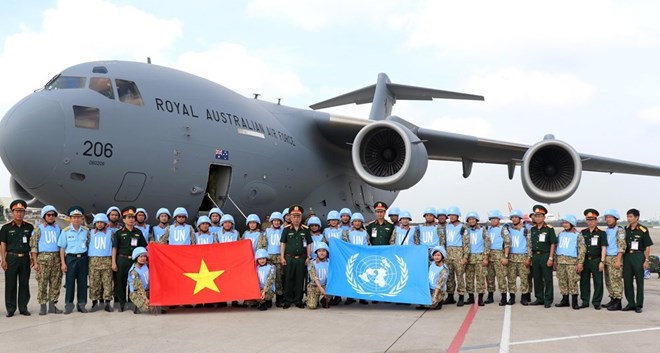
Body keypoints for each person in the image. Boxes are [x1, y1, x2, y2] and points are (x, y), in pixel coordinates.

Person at [1, 199, 34, 316]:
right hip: (11, 258)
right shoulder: (6, 228)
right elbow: (3, 244)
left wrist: (33, 258)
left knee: (24, 283)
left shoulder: (30, 227)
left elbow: (33, 244)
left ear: (24, 213)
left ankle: (23, 307)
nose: (19, 213)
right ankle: (10, 309)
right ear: (12, 212)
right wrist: (3, 259)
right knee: (10, 284)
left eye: (21, 211)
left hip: (25, 258)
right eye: (16, 211)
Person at [112, 206, 148, 312]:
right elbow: (114, 248)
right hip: (122, 260)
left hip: (134, 261)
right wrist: (113, 262)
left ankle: (132, 303)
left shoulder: (138, 232)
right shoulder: (119, 233)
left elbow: (144, 247)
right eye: (128, 217)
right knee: (120, 282)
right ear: (123, 220)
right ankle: (121, 304)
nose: (131, 219)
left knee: (133, 282)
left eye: (133, 217)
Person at [30, 205, 63, 315]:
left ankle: (52, 305)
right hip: (43, 259)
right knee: (42, 283)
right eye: (49, 215)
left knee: (56, 283)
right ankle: (42, 305)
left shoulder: (58, 228)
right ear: (44, 216)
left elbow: (62, 245)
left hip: (56, 259)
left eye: (53, 215)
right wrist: (35, 262)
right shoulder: (38, 229)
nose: (51, 217)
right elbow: (34, 247)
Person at [58, 206, 90, 314]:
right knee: (70, 283)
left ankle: (82, 304)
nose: (76, 219)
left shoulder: (86, 231)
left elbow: (89, 245)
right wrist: (63, 263)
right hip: (70, 259)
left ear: (82, 219)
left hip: (83, 259)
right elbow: (62, 248)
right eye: (74, 217)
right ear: (70, 219)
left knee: (83, 283)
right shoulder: (65, 232)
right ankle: (69, 305)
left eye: (78, 217)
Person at [279, 204, 312, 309]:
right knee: (288, 279)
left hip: (301, 258)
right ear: (290, 217)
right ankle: (288, 300)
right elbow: (283, 243)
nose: (296, 219)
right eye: (294, 216)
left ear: (301, 217)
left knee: (299, 280)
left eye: (298, 216)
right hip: (289, 258)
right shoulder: (286, 229)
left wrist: (308, 256)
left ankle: (298, 300)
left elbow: (309, 243)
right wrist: (282, 257)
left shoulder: (305, 230)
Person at [622, 208, 653, 313]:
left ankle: (638, 304)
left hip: (638, 256)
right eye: (628, 216)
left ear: (637, 217)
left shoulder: (643, 230)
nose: (629, 219)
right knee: (627, 281)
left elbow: (647, 246)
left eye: (631, 216)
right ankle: (630, 303)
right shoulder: (625, 229)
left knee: (639, 281)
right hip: (627, 257)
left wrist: (647, 260)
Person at [554, 215, 585, 310]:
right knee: (562, 281)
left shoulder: (578, 235)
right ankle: (565, 300)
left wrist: (580, 263)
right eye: (564, 223)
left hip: (572, 262)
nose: (565, 225)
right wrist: (555, 260)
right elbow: (556, 247)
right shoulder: (560, 234)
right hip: (560, 261)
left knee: (573, 281)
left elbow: (582, 250)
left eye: (567, 223)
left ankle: (574, 301)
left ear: (572, 224)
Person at [529, 205, 557, 308]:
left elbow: (553, 244)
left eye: (540, 216)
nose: (538, 218)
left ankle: (548, 299)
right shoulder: (533, 229)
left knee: (547, 278)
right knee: (537, 278)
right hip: (535, 256)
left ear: (544, 217)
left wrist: (551, 258)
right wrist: (531, 257)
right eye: (536, 216)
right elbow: (531, 244)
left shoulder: (549, 229)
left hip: (545, 255)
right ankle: (539, 298)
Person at [579, 209, 607, 310]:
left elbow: (603, 247)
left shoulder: (601, 233)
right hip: (585, 260)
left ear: (596, 221)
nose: (590, 222)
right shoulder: (582, 233)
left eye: (592, 219)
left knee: (598, 282)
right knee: (584, 281)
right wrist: (580, 262)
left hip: (596, 260)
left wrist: (602, 261)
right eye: (588, 219)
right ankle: (585, 301)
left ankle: (596, 302)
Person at [257, 211, 285, 307]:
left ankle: (279, 298)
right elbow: (262, 246)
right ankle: (267, 299)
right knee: (267, 278)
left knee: (279, 279)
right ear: (271, 221)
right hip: (268, 258)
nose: (276, 222)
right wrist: (263, 257)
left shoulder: (283, 231)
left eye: (278, 221)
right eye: (275, 221)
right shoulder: (266, 232)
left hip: (279, 258)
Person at [443, 206, 470, 306]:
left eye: (454, 215)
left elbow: (467, 243)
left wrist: (465, 257)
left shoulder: (463, 227)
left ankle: (461, 296)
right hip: (448, 253)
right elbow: (444, 241)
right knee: (449, 276)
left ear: (458, 216)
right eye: (450, 215)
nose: (452, 217)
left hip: (459, 252)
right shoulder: (446, 226)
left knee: (459, 276)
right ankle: (450, 296)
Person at [88, 213, 114, 312]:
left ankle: (107, 303)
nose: (99, 224)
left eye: (102, 222)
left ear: (105, 223)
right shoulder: (90, 233)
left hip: (107, 260)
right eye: (97, 222)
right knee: (94, 283)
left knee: (107, 283)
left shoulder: (110, 233)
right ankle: (95, 303)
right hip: (94, 260)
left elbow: (114, 247)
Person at [505, 210, 532, 305]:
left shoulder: (526, 230)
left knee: (524, 279)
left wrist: (529, 258)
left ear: (520, 219)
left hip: (522, 257)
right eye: (512, 217)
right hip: (511, 257)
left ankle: (524, 297)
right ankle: (512, 297)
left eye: (516, 217)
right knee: (511, 278)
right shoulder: (508, 230)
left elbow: (529, 245)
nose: (514, 219)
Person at [602, 209, 626, 311]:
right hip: (607, 257)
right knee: (608, 280)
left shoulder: (619, 230)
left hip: (615, 257)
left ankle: (618, 302)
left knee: (616, 280)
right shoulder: (606, 230)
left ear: (615, 219)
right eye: (607, 217)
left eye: (610, 217)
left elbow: (621, 246)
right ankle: (612, 298)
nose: (608, 219)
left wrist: (618, 260)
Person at [464, 212, 490, 306]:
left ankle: (480, 298)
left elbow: (487, 244)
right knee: (469, 279)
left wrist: (486, 257)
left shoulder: (483, 230)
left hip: (480, 257)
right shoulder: (466, 231)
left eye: (473, 219)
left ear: (476, 220)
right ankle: (470, 297)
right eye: (469, 219)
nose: (471, 221)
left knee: (480, 279)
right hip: (469, 257)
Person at [485, 210, 511, 306]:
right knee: (490, 277)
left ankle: (503, 297)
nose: (493, 221)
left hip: (499, 254)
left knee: (501, 277)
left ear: (498, 219)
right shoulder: (488, 229)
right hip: (489, 254)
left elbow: (507, 243)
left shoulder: (503, 229)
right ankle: (490, 296)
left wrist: (505, 256)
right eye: (491, 219)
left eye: (495, 219)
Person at [128, 247, 157, 314]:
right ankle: (137, 305)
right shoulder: (134, 271)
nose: (143, 258)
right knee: (148, 307)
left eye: (144, 256)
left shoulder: (145, 265)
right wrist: (145, 299)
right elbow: (139, 288)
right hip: (137, 293)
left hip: (147, 291)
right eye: (140, 256)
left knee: (159, 304)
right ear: (136, 257)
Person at [421, 245, 448, 310]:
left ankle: (440, 300)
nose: (436, 257)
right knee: (419, 300)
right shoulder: (432, 264)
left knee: (430, 304)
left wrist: (435, 296)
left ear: (442, 256)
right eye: (435, 255)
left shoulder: (444, 269)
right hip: (429, 288)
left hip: (437, 290)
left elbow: (439, 285)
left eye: (438, 255)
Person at [307, 242, 330, 309]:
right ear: (316, 252)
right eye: (319, 251)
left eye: (323, 251)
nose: (321, 253)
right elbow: (315, 277)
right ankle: (312, 299)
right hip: (315, 286)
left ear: (327, 252)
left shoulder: (330, 262)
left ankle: (324, 300)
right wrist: (321, 289)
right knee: (312, 306)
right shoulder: (312, 263)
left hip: (326, 286)